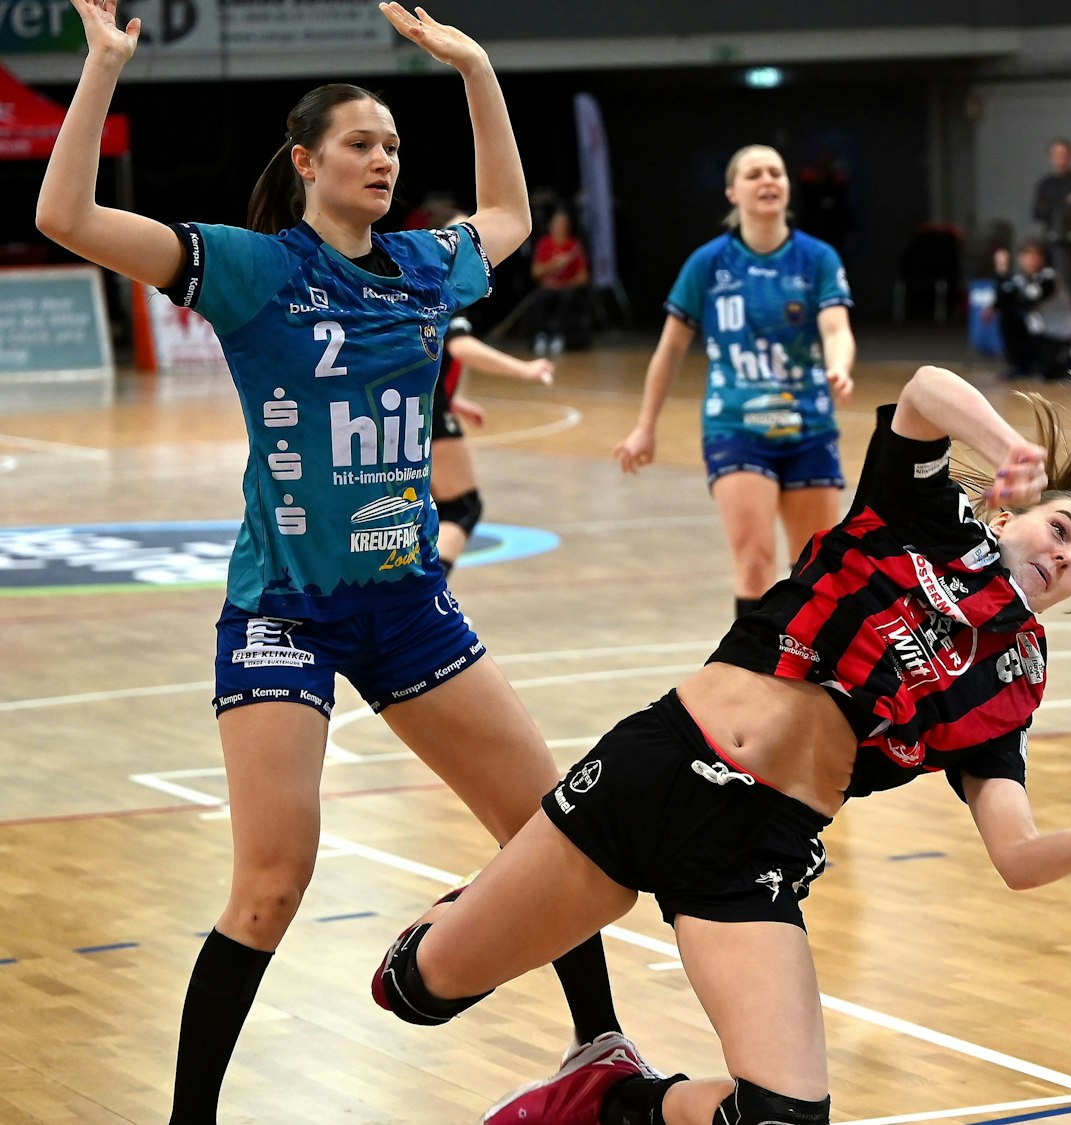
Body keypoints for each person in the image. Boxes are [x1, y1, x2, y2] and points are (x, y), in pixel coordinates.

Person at [370, 364, 1071, 1124]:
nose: (1066, 559)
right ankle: (471, 907)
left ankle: (611, 1100)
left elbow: (1018, 855)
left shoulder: (1009, 680)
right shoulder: (924, 516)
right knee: (411, 991)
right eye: (1062, 528)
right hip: (662, 768)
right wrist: (1005, 443)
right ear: (1012, 511)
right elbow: (924, 391)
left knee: (783, 1118)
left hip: (755, 850)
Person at [33, 5, 631, 1122]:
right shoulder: (255, 270)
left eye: (394, 146)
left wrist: (478, 69)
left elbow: (503, 209)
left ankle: (599, 1042)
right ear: (306, 160)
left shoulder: (421, 268)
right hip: (285, 615)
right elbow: (62, 214)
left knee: (552, 830)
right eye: (360, 143)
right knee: (269, 888)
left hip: (408, 610)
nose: (383, 160)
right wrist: (105, 67)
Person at [614, 144, 856, 620]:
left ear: (787, 186)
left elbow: (836, 327)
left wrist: (839, 365)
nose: (768, 180)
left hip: (808, 425)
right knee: (754, 563)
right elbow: (669, 350)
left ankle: (811, 675)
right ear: (732, 191)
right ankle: (748, 675)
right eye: (754, 174)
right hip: (736, 427)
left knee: (818, 569)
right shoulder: (708, 264)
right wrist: (646, 426)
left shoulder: (817, 258)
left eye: (776, 172)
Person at [430, 288, 557, 574]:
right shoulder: (440, 284)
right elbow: (460, 347)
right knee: (461, 509)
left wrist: (454, 400)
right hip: (430, 417)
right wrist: (525, 369)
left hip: (398, 413)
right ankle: (427, 606)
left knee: (418, 514)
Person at [993, 241, 1071, 381]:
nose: (1031, 260)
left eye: (1035, 256)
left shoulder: (1049, 277)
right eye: (1027, 256)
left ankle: (1047, 362)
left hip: (1060, 333)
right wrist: (1001, 272)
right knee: (1008, 318)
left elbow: (1027, 302)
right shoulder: (1022, 279)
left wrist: (1010, 299)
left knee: (1050, 374)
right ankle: (1020, 366)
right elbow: (1002, 302)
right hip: (1041, 332)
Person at [529, 209, 590, 356]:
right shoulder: (545, 244)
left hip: (567, 287)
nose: (560, 227)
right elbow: (535, 272)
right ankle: (542, 336)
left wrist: (564, 284)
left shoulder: (574, 246)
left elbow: (583, 277)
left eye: (563, 224)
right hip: (548, 287)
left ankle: (558, 337)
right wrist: (554, 265)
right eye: (557, 223)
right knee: (542, 299)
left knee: (566, 299)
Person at [1032, 138, 1071, 279]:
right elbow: (1037, 211)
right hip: (1051, 237)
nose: (1060, 158)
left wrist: (1052, 205)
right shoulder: (1044, 183)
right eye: (1056, 154)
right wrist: (1063, 202)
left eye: (1064, 154)